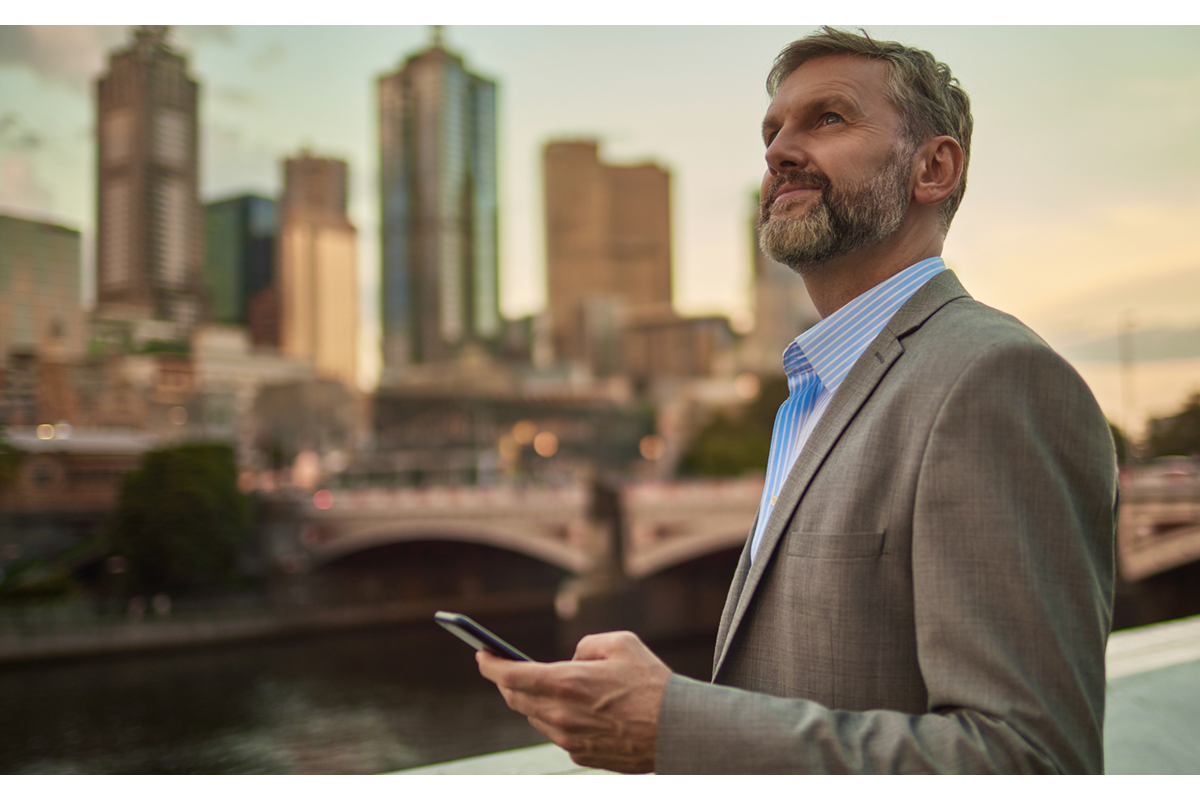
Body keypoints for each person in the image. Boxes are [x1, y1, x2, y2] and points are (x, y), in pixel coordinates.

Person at [477, 27, 1117, 774]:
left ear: (933, 168)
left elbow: (1030, 757)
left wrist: (677, 724)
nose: (778, 152)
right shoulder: (814, 394)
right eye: (771, 132)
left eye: (829, 119)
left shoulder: (993, 379)